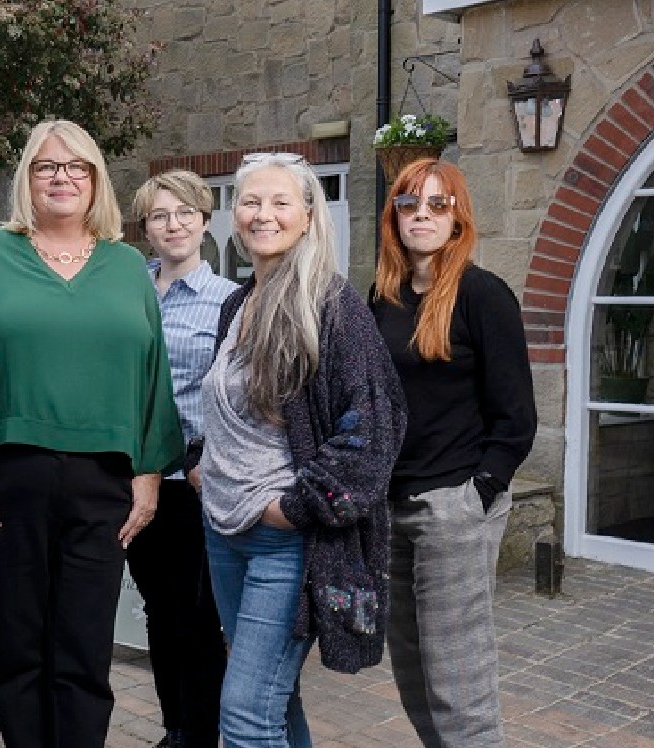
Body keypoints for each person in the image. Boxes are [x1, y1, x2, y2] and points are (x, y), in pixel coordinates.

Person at [0, 120, 183, 748]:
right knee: (17, 649)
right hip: (8, 478)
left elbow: (154, 378)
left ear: (95, 180)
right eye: (46, 166)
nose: (62, 177)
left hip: (104, 483)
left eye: (76, 167)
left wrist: (148, 476)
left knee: (84, 650)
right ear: (26, 180)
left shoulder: (127, 268)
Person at [191, 152, 405, 747]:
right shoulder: (238, 304)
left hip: (287, 541)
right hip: (225, 532)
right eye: (251, 202)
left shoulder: (331, 307)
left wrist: (296, 508)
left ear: (308, 217)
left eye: (280, 202)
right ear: (234, 216)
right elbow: (230, 411)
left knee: (244, 714)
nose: (264, 214)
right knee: (273, 705)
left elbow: (374, 429)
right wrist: (199, 462)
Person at [370, 158, 536, 748]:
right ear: (394, 215)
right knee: (410, 663)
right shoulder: (382, 297)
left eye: (437, 205)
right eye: (410, 204)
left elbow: (517, 416)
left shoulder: (482, 295)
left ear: (458, 217)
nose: (422, 215)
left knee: (457, 675)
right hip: (390, 507)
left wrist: (480, 492)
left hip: (453, 505)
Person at [128, 169, 236, 748]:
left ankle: (200, 734)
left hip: (193, 484)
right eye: (160, 216)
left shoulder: (228, 302)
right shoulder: (126, 292)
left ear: (204, 219)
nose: (173, 225)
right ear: (145, 227)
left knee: (197, 618)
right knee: (155, 612)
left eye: (184, 213)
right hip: (135, 479)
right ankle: (175, 728)